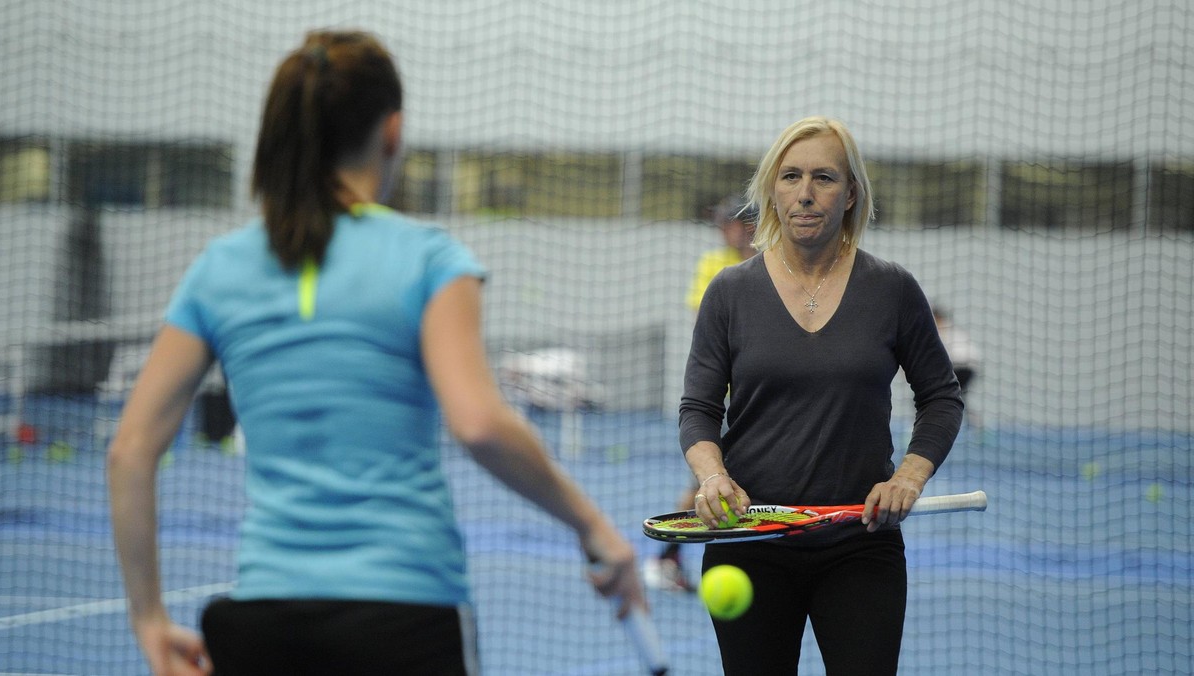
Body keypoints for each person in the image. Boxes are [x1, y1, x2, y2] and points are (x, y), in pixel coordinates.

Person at [107, 30, 644, 676]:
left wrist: (148, 616)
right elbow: (478, 423)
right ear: (392, 131)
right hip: (405, 616)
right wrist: (594, 528)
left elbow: (130, 450)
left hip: (258, 626)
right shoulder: (428, 258)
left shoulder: (219, 269)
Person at [679, 116, 963, 674]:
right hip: (750, 541)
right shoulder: (729, 292)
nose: (805, 194)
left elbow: (942, 397)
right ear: (771, 190)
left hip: (860, 542)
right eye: (790, 177)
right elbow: (699, 409)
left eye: (824, 178)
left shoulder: (893, 288)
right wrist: (712, 475)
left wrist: (908, 476)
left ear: (851, 192)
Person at [644, 197, 757, 593]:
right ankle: (669, 556)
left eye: (727, 223)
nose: (722, 230)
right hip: (723, 397)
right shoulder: (714, 265)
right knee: (705, 481)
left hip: (760, 395)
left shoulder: (775, 261)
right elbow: (707, 328)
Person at [933, 304, 982, 430]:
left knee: (936, 395)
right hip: (971, 367)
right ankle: (976, 425)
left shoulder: (941, 330)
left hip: (959, 366)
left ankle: (938, 425)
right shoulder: (953, 329)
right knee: (959, 396)